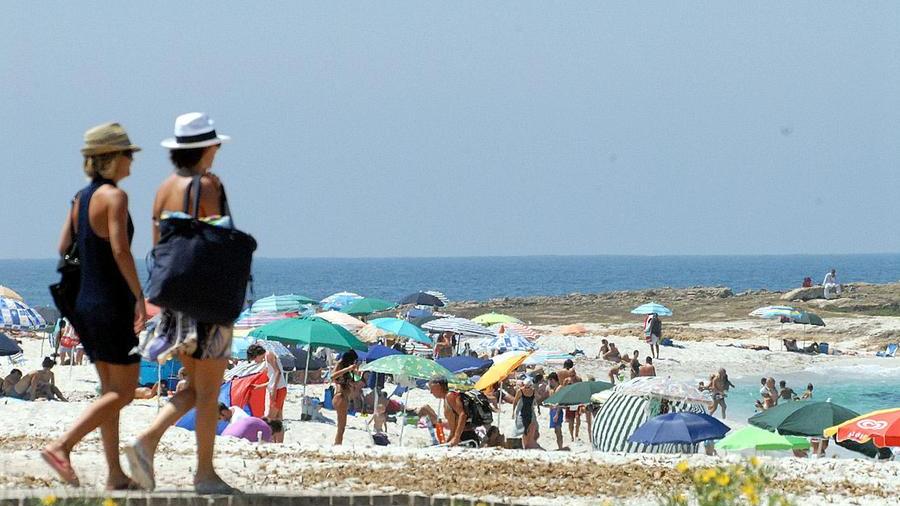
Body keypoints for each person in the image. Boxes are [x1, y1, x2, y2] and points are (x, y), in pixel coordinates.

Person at [126, 113, 235, 495]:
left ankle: (149, 442)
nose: (218, 150)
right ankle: (204, 474)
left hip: (172, 301)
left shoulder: (163, 189)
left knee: (196, 386)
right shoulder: (207, 186)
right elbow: (219, 241)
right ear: (205, 148)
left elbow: (160, 248)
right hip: (206, 302)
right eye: (216, 145)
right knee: (209, 389)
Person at [42, 124, 145, 490]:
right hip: (112, 303)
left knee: (109, 393)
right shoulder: (114, 197)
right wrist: (139, 297)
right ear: (111, 158)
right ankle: (61, 446)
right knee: (126, 391)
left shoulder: (80, 198)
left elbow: (62, 247)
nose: (132, 160)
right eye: (127, 153)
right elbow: (121, 249)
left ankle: (115, 474)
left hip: (84, 303)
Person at [427, 376, 491, 447]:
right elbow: (454, 425)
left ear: (438, 386)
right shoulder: (447, 398)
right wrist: (449, 440)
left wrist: (456, 438)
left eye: (431, 388)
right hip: (462, 436)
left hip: (465, 436)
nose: (431, 392)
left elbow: (463, 415)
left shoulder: (450, 396)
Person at [246, 344, 287, 443]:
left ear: (257, 354)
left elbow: (278, 373)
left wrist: (273, 390)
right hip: (279, 388)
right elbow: (272, 378)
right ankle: (278, 442)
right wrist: (259, 386)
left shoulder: (269, 355)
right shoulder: (267, 359)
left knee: (270, 418)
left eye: (254, 358)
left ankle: (270, 440)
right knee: (278, 419)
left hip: (278, 389)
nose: (255, 361)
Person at [331, 350, 359, 445]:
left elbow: (355, 382)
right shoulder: (340, 364)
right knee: (341, 426)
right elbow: (333, 376)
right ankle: (337, 444)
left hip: (345, 397)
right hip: (340, 396)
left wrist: (355, 373)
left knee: (342, 426)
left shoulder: (348, 369)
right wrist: (348, 369)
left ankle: (338, 443)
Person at [512, 378, 542, 450]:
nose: (526, 388)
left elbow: (537, 400)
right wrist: (513, 412)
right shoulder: (520, 391)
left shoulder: (533, 391)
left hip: (530, 411)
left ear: (531, 386)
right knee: (523, 429)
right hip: (521, 411)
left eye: (528, 387)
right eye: (525, 386)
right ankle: (525, 445)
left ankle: (530, 443)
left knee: (535, 429)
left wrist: (538, 409)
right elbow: (515, 401)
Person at [544, 373, 566, 451]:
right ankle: (559, 447)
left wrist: (557, 414)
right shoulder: (552, 389)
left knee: (558, 429)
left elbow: (560, 402)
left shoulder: (559, 388)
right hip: (553, 411)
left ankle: (560, 447)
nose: (549, 382)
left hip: (557, 411)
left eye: (550, 380)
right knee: (556, 431)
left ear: (553, 380)